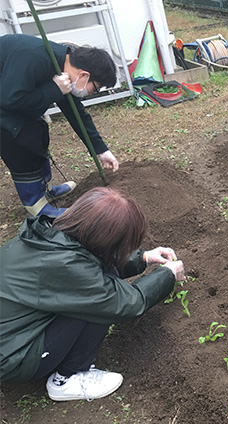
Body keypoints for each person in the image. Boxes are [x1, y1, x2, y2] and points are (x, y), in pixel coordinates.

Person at [0, 187, 185, 401]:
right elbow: (126, 303)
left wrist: (143, 258)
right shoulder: (67, 267)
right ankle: (66, 378)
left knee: (102, 282)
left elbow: (94, 262)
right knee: (97, 307)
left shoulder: (48, 235)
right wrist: (167, 275)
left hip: (11, 334)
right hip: (12, 358)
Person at [0, 34, 120, 218]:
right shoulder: (33, 57)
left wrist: (101, 150)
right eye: (94, 88)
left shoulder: (63, 67)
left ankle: (45, 189)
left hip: (10, 95)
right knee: (21, 136)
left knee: (39, 130)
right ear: (84, 75)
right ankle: (36, 204)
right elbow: (10, 99)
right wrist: (53, 90)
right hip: (6, 100)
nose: (90, 93)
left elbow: (76, 112)